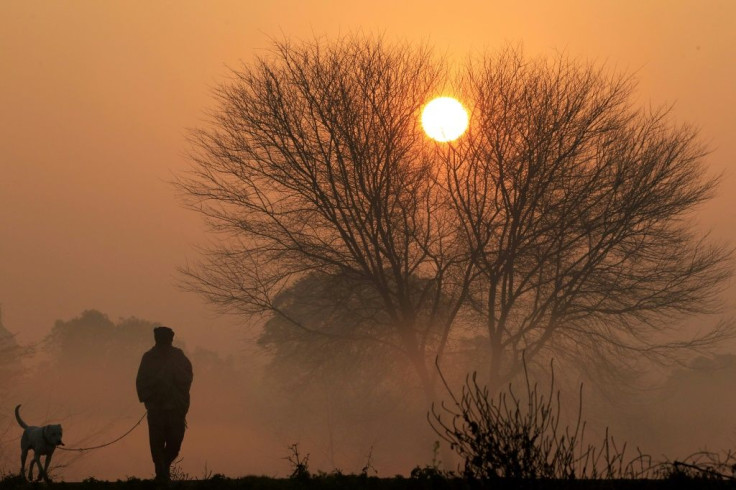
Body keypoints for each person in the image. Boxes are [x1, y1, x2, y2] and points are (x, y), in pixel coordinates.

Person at [136, 326, 193, 482]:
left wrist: (173, 377)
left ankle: (165, 466)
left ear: (171, 339)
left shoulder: (178, 356)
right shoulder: (148, 358)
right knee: (156, 443)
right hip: (156, 409)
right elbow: (141, 382)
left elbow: (188, 378)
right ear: (157, 339)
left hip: (175, 408)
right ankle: (161, 474)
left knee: (175, 442)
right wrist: (153, 392)